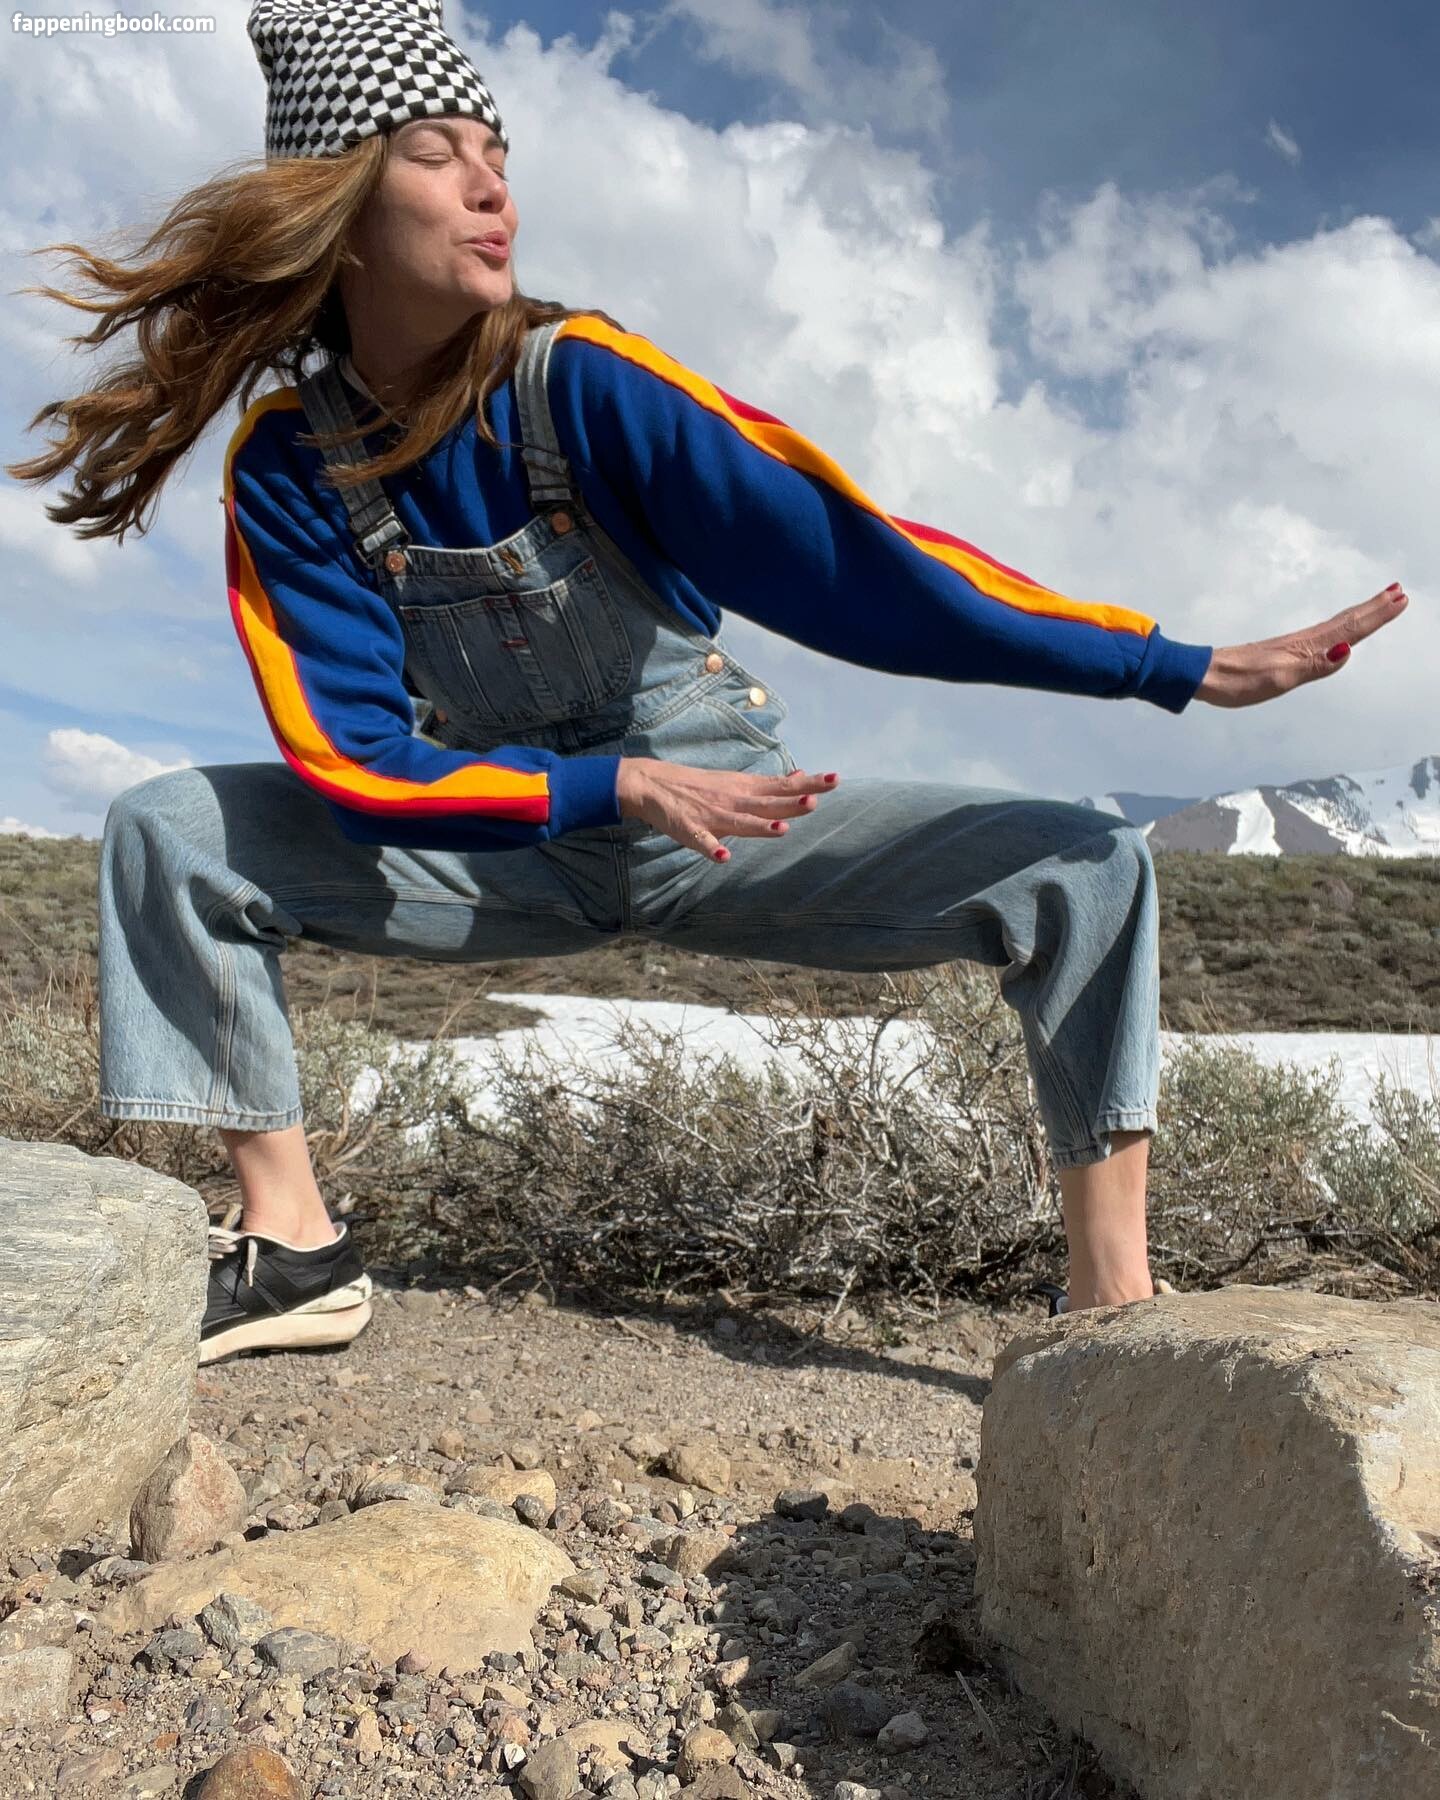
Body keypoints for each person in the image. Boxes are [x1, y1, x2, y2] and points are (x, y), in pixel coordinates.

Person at [8, 0, 1408, 1361]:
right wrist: (603, 784)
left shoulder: (583, 383)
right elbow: (357, 757)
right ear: (343, 210)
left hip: (727, 827)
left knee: (1090, 869)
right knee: (168, 833)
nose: (493, 188)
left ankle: (1109, 1312)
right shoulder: (290, 464)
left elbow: (867, 570)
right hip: (507, 852)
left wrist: (1173, 668)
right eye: (438, 153)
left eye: (500, 155)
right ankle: (295, 1244)